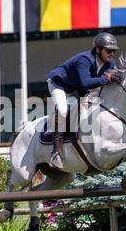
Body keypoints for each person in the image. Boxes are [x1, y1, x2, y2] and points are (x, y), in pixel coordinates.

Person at [46, 32, 119, 169]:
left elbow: (103, 84)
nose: (112, 54)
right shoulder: (84, 59)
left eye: (114, 51)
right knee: (62, 109)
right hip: (60, 85)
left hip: (77, 88)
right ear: (98, 49)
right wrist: (107, 79)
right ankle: (56, 152)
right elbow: (86, 83)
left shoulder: (110, 63)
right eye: (108, 50)